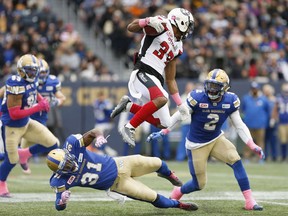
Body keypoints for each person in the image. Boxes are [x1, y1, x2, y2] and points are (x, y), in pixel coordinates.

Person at [146, 69, 264, 211]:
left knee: (236, 160)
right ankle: (179, 191)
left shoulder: (231, 100)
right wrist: (164, 131)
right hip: (196, 144)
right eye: (210, 85)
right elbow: (179, 115)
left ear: (225, 87)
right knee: (199, 184)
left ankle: (249, 201)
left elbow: (239, 125)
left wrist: (252, 144)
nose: (211, 89)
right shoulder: (197, 97)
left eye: (216, 86)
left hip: (216, 138)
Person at [46, 127, 198, 212]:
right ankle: (178, 205)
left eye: (67, 161)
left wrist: (99, 137)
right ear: (59, 172)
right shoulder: (59, 180)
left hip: (120, 163)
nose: (69, 165)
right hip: (117, 184)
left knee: (157, 162)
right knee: (153, 197)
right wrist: (63, 201)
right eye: (65, 167)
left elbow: (94, 131)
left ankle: (169, 175)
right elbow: (59, 206)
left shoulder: (73, 145)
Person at [110, 8, 194, 146]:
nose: (189, 30)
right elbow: (131, 28)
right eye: (188, 26)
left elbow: (170, 79)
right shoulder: (163, 25)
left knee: (165, 123)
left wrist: (180, 104)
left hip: (156, 80)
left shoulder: (178, 46)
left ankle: (129, 106)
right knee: (162, 98)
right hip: (142, 71)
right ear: (180, 22)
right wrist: (146, 21)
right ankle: (129, 126)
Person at [0, 54, 59, 197]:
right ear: (21, 70)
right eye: (30, 70)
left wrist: (41, 99)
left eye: (35, 70)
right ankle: (1, 183)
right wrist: (39, 106)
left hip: (26, 122)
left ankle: (24, 153)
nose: (34, 73)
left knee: (53, 144)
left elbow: (33, 89)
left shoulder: (31, 80)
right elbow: (14, 114)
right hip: (11, 127)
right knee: (11, 161)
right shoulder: (15, 85)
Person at [19, 58, 66, 174]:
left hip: (41, 118)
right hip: (27, 117)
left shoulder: (52, 82)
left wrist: (57, 102)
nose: (42, 75)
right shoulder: (28, 82)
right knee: (24, 148)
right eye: (40, 73)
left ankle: (22, 156)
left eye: (44, 72)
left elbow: (62, 98)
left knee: (23, 150)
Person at [241, 81, 270, 163]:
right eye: (253, 89)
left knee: (260, 142)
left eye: (255, 89)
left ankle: (260, 158)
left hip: (260, 124)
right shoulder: (246, 98)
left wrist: (265, 121)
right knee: (248, 142)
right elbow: (243, 111)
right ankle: (247, 157)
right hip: (248, 124)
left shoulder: (263, 99)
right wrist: (244, 121)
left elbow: (267, 111)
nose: (254, 90)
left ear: (258, 89)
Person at [88, 91, 117, 156]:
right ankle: (110, 152)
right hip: (99, 124)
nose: (101, 98)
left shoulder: (106, 103)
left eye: (102, 96)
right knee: (97, 139)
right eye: (100, 96)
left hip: (106, 124)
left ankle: (102, 153)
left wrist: (106, 108)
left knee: (98, 138)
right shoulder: (96, 102)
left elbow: (111, 114)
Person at [271, 82, 288, 162]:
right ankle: (284, 156)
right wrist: (273, 118)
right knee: (283, 140)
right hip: (282, 122)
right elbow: (275, 109)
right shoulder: (279, 98)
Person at [262, 84, 278, 162]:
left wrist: (274, 119)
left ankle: (274, 156)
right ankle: (265, 156)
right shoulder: (262, 99)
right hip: (264, 122)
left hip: (272, 122)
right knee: (264, 140)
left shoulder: (274, 100)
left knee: (273, 140)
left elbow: (277, 111)